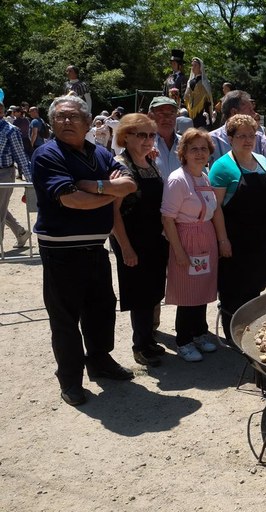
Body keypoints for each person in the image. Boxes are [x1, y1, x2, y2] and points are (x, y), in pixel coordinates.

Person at [32, 95, 137, 407]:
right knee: (65, 318)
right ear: (51, 123)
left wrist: (93, 186)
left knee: (102, 308)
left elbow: (129, 183)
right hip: (61, 251)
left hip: (95, 248)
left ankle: (100, 361)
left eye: (74, 117)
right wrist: (108, 189)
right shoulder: (47, 154)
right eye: (61, 117)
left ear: (89, 122)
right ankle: (70, 379)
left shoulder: (100, 153)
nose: (67, 121)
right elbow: (70, 199)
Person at [161, 129, 231, 362]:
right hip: (187, 240)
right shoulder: (177, 179)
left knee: (202, 289)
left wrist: (222, 240)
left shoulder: (205, 176)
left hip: (205, 239)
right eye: (194, 149)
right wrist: (179, 251)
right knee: (187, 292)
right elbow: (168, 218)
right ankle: (183, 340)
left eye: (203, 149)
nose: (199, 153)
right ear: (184, 153)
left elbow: (215, 212)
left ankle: (199, 333)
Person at [209, 115, 266, 341]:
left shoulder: (262, 160)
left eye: (251, 135)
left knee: (255, 285)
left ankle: (249, 329)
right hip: (235, 239)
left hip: (261, 238)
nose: (247, 140)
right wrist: (222, 240)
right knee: (233, 289)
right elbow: (216, 207)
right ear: (230, 138)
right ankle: (232, 334)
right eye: (241, 136)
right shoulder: (222, 166)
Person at [109, 114, 169, 366]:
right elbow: (113, 213)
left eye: (151, 135)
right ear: (126, 136)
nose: (147, 140)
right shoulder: (119, 166)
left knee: (154, 291)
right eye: (141, 135)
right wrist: (126, 248)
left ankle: (148, 340)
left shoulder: (150, 161)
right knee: (139, 294)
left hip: (154, 238)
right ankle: (140, 346)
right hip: (132, 239)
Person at [0, 101, 33, 248]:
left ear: (1, 112)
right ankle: (21, 232)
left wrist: (30, 182)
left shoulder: (10, 130)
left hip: (4, 174)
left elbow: (21, 156)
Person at [209, 90, 266, 163]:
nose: (254, 114)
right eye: (250, 110)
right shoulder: (212, 140)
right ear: (234, 112)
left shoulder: (259, 138)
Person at [148, 96, 181, 180]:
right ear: (150, 116)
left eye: (172, 113)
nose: (167, 118)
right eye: (161, 113)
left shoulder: (187, 144)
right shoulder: (141, 144)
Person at [183, 57, 214, 129]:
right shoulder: (190, 81)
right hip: (190, 111)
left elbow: (208, 99)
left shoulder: (205, 82)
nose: (193, 67)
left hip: (202, 112)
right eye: (192, 65)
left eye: (195, 65)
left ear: (200, 67)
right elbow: (186, 96)